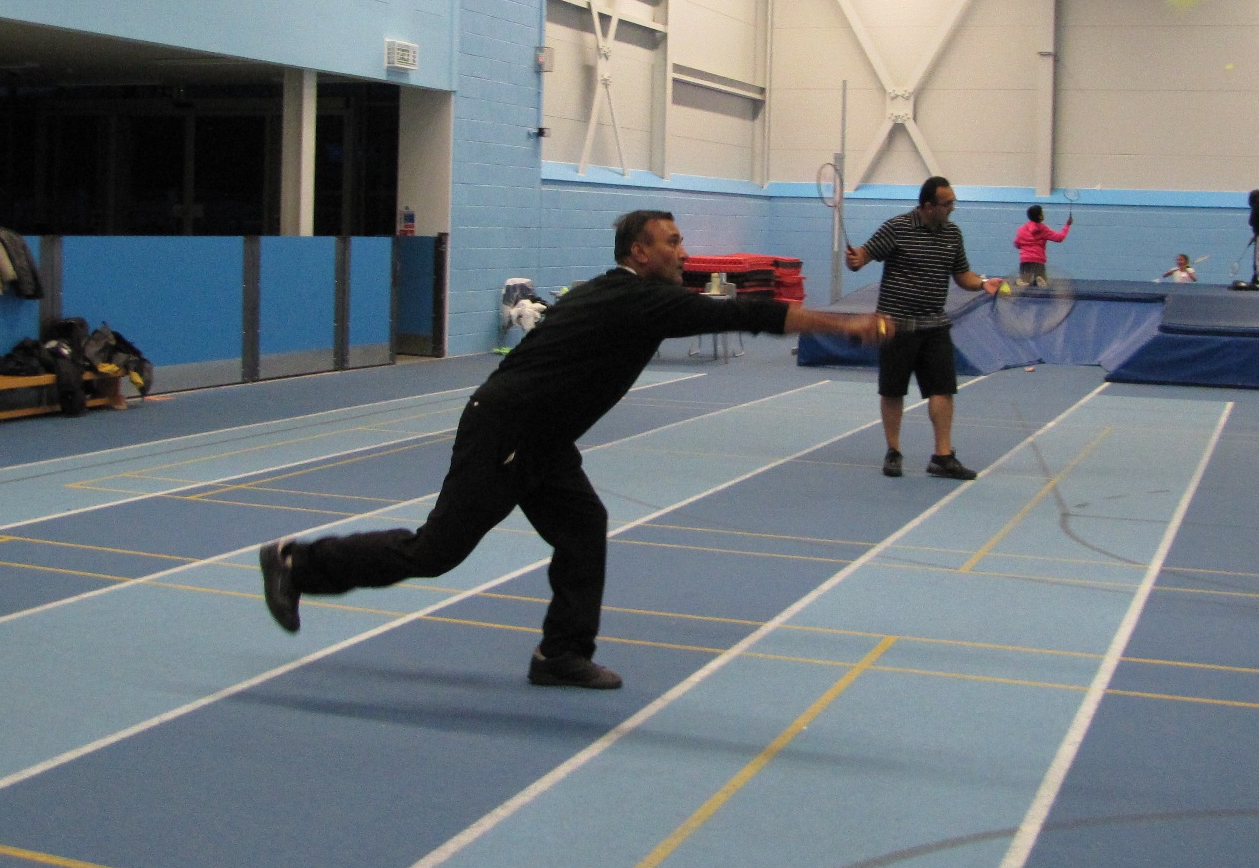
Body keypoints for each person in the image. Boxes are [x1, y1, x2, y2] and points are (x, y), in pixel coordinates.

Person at [256, 210, 893, 689]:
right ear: (640, 252)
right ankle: (297, 564)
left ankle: (561, 654)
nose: (683, 250)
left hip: (543, 438)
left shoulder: (622, 294)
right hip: (506, 431)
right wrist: (844, 327)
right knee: (436, 552)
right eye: (672, 241)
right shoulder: (635, 300)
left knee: (584, 526)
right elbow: (745, 316)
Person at [846, 176, 1005, 481]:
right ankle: (893, 452)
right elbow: (863, 257)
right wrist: (856, 260)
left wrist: (984, 283)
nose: (952, 209)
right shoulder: (897, 227)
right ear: (929, 206)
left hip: (935, 325)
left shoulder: (953, 234)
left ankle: (942, 457)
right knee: (892, 391)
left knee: (943, 390)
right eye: (948, 204)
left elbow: (962, 276)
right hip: (896, 325)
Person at [1014, 204, 1071, 286]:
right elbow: (1059, 238)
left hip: (1025, 260)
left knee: (1024, 286)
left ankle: (1025, 281)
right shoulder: (1043, 229)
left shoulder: (1022, 229)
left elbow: (1017, 244)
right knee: (1042, 287)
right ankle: (1039, 280)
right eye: (1042, 213)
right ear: (1040, 216)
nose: (1044, 214)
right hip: (1038, 261)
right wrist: (1067, 225)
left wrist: (1026, 246)